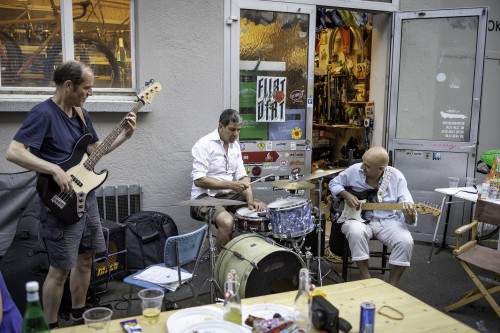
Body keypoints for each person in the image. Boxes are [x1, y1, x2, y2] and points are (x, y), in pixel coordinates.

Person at [5, 60, 137, 328]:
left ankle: (79, 317)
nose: (91, 93)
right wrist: (53, 169)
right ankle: (50, 326)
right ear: (69, 86)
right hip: (59, 201)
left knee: (86, 259)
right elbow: (14, 152)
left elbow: (94, 150)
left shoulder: (80, 113)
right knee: (60, 269)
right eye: (86, 88)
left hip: (85, 197)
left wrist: (125, 135)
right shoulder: (43, 114)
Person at [328, 146, 417, 287]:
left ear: (381, 168)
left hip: (388, 221)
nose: (362, 167)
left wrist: (410, 216)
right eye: (363, 162)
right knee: (355, 231)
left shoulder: (396, 176)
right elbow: (334, 183)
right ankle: (365, 277)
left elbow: (407, 202)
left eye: (367, 166)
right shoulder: (354, 170)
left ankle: (392, 285)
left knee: (406, 241)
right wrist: (346, 194)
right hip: (359, 221)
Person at [190, 109, 266, 251]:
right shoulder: (204, 144)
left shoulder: (235, 146)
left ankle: (251, 257)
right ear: (220, 126)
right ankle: (222, 266)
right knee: (227, 222)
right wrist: (231, 185)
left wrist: (249, 198)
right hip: (204, 196)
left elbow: (243, 176)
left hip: (228, 193)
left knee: (262, 210)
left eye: (238, 130)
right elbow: (199, 180)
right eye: (232, 129)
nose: (235, 134)